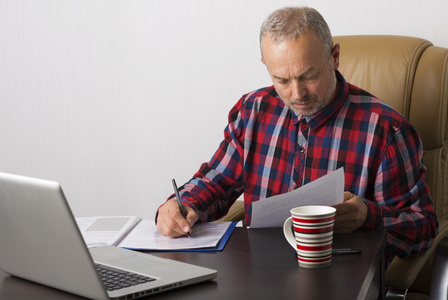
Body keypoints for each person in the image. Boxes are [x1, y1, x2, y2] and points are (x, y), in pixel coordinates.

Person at [156, 6, 438, 262]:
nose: (297, 93)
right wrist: (181, 205)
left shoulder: (386, 129)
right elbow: (217, 182)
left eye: (308, 76)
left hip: (341, 277)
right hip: (259, 276)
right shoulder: (253, 111)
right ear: (266, 66)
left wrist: (368, 216)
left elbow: (422, 229)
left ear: (334, 57)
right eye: (282, 80)